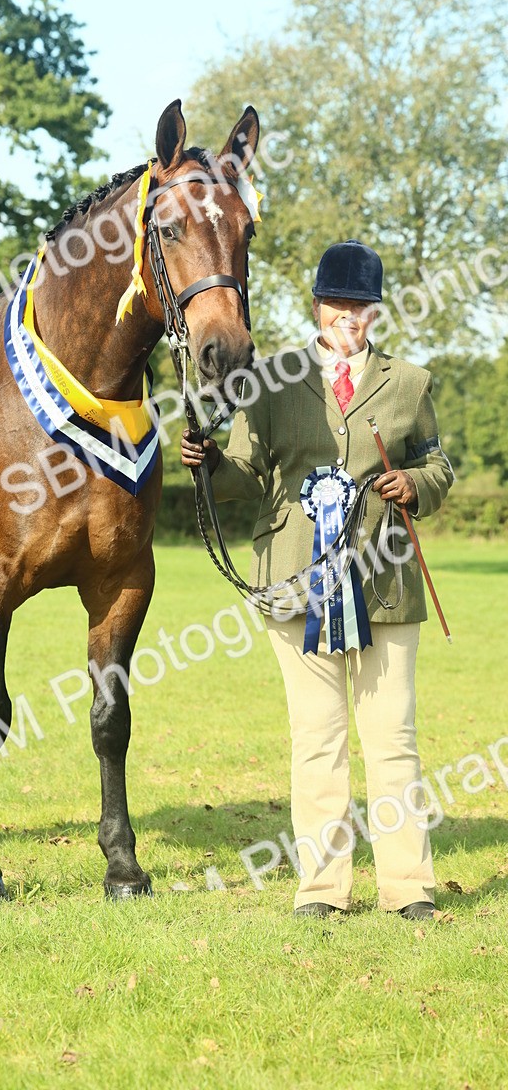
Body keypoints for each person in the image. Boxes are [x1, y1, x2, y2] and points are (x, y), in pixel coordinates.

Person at [181, 239, 454, 920]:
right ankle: (324, 890)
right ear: (317, 305)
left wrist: (413, 483)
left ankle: (408, 888)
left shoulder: (411, 383)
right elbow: (248, 473)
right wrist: (210, 461)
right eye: (337, 303)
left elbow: (437, 464)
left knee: (392, 737)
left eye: (360, 305)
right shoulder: (271, 381)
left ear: (375, 311)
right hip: (294, 584)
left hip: (384, 584)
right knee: (318, 739)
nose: (348, 315)